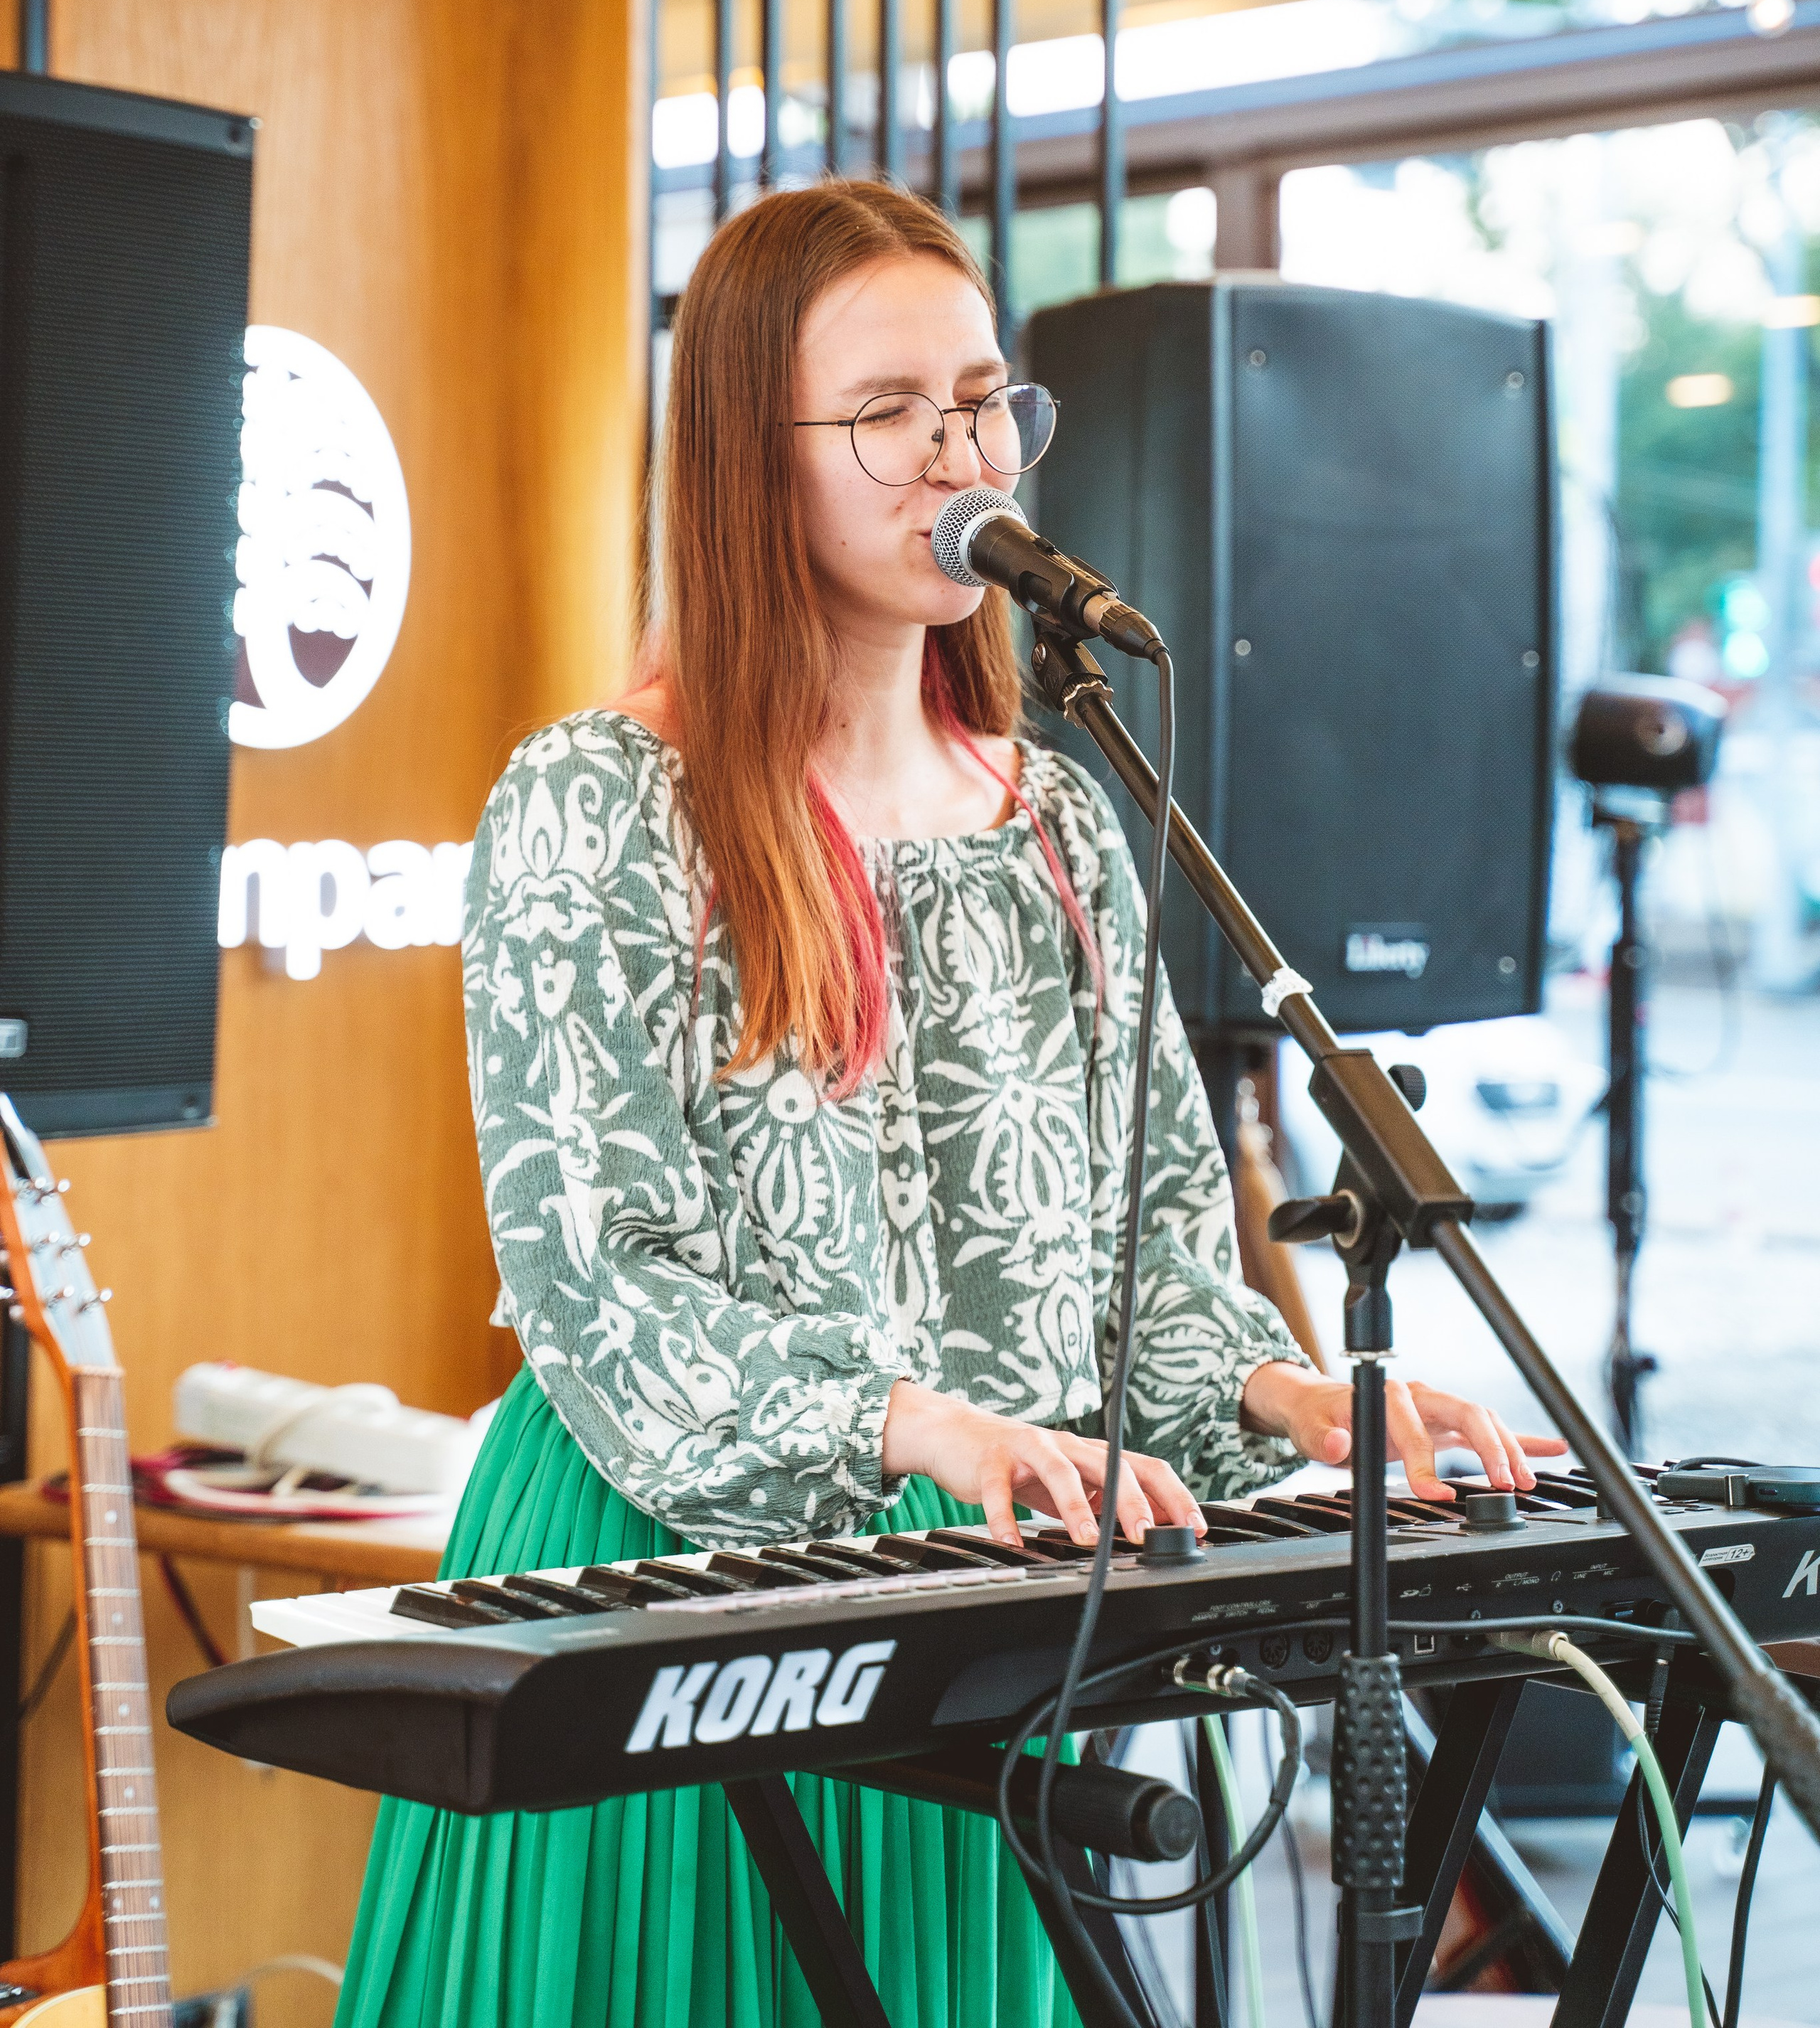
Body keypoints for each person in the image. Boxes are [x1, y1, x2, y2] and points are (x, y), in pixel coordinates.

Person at [336, 180, 1562, 2028]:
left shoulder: (1059, 814)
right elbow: (604, 1286)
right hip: (689, 1595)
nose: (956, 455)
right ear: (754, 458)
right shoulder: (600, 802)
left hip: (994, 1608)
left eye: (983, 401)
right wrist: (926, 1428)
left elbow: (1150, 1245)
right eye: (889, 413)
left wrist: (1291, 1391)